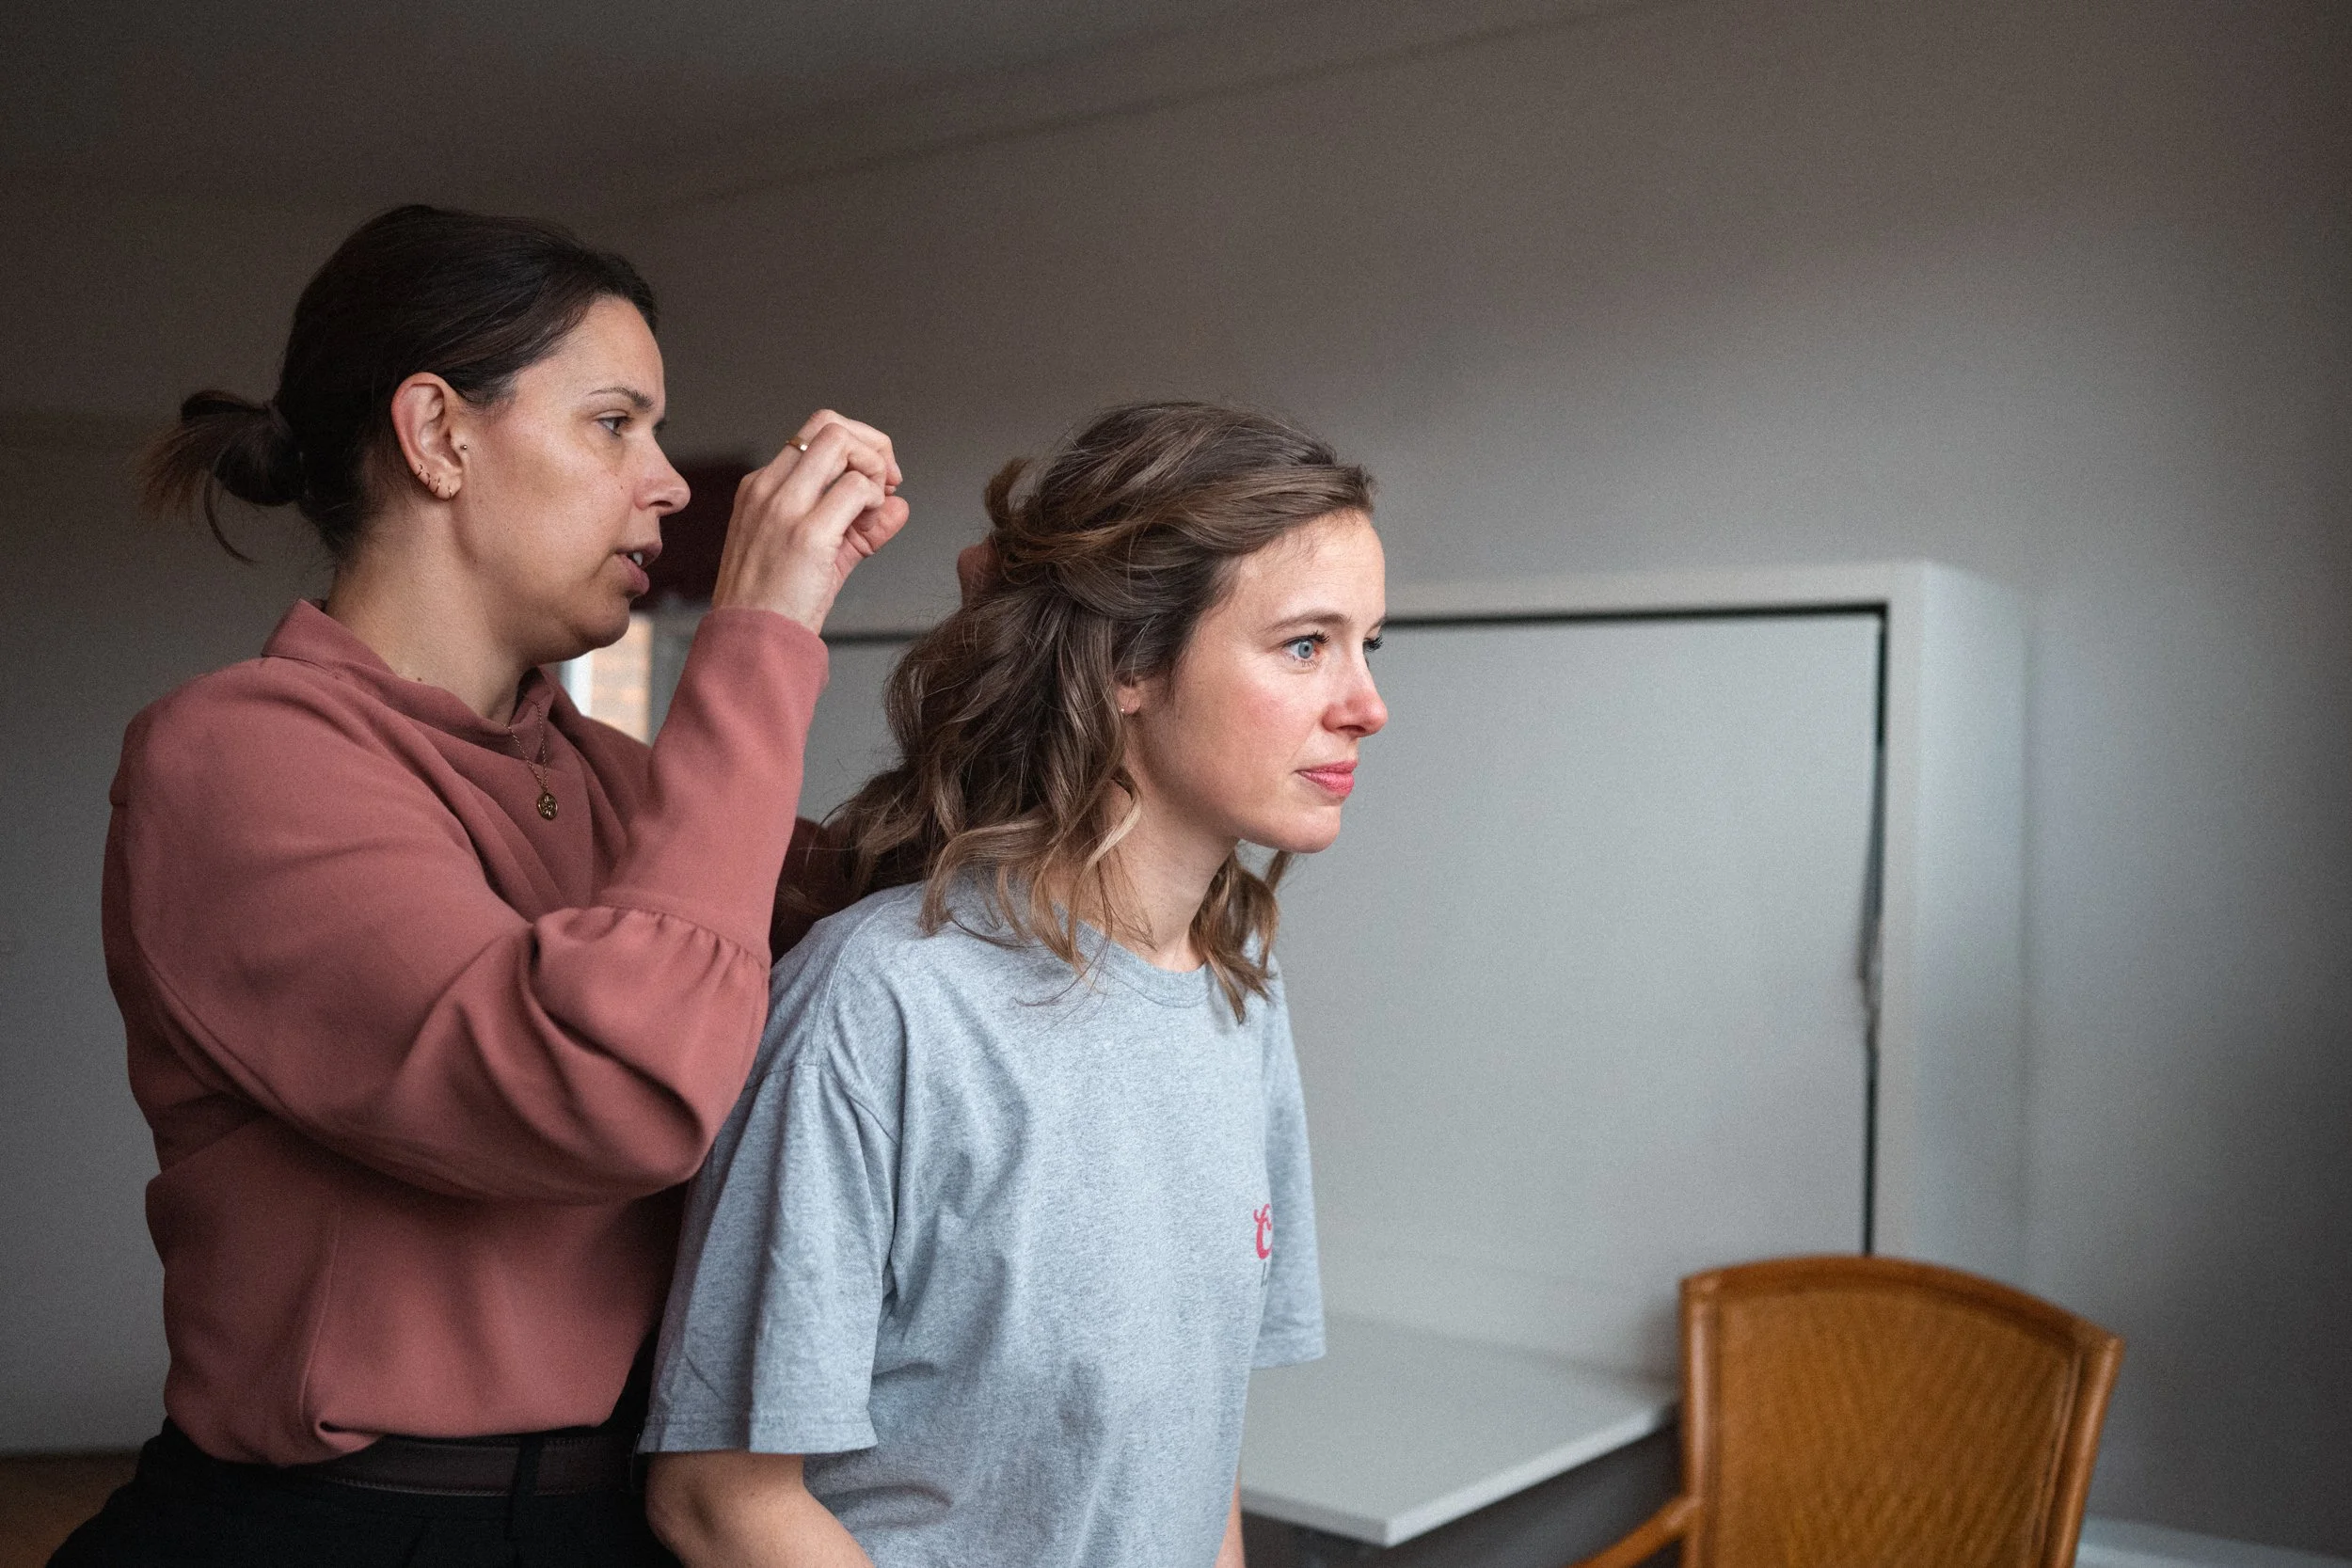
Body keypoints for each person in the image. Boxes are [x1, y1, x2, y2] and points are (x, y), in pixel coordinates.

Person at [55, 204, 910, 1568]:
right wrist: (754, 639)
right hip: (333, 1535)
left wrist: (1024, 647)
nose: (672, 480)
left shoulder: (622, 783)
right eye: (615, 421)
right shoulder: (234, 754)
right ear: (438, 433)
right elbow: (617, 1087)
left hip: (621, 1517)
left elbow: (910, 913)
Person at [640, 402, 1390, 1568]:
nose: (1364, 704)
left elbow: (1192, 1453)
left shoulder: (1239, 993)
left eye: (1366, 645)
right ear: (1128, 663)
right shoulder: (883, 999)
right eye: (1305, 645)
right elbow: (721, 1501)